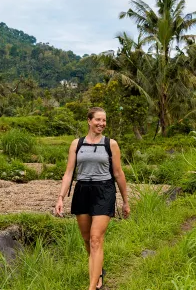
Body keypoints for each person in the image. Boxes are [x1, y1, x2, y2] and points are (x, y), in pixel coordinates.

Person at [54, 107, 130, 290]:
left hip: (104, 191)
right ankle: (98, 270)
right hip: (82, 191)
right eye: (98, 120)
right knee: (87, 239)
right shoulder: (76, 144)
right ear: (89, 121)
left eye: (104, 120)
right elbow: (69, 173)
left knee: (96, 239)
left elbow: (118, 173)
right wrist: (60, 198)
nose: (101, 124)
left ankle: (92, 286)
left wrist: (126, 201)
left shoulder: (110, 144)